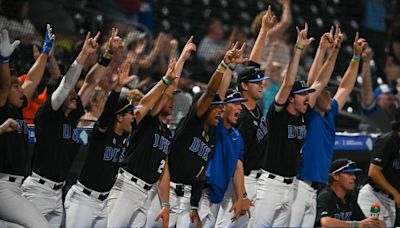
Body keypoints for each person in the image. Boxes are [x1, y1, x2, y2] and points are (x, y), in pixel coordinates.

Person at [107, 37, 196, 228]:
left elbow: (162, 169)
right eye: (167, 99)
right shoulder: (148, 119)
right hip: (127, 188)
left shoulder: (165, 131)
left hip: (145, 195)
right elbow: (165, 90)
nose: (171, 102)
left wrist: (165, 204)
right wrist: (180, 60)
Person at [21, 30, 105, 227]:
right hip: (38, 191)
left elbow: (91, 83)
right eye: (71, 93)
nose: (75, 95)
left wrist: (106, 57)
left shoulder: (72, 115)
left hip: (57, 193)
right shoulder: (49, 114)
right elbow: (66, 84)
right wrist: (83, 54)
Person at [290, 30, 367, 227]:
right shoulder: (311, 113)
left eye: (328, 94)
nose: (328, 94)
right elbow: (316, 81)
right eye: (325, 93)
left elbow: (345, 87)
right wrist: (327, 51)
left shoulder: (330, 112)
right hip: (298, 185)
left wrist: (356, 57)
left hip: (316, 188)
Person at [166, 43, 242, 228]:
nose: (219, 111)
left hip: (187, 199)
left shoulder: (213, 134)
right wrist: (224, 65)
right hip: (167, 191)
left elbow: (199, 176)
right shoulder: (194, 122)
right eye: (215, 108)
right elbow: (212, 92)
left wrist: (193, 206)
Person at [216, 6, 275, 227]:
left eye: (262, 81)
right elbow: (236, 159)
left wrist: (264, 31)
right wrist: (241, 194)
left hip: (253, 179)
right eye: (257, 82)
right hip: (239, 179)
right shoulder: (238, 115)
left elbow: (255, 65)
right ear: (243, 86)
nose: (262, 84)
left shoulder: (254, 108)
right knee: (229, 222)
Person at [254, 23, 315, 227]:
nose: (307, 98)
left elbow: (319, 83)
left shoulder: (302, 116)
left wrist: (326, 51)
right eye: (303, 94)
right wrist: (298, 49)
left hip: (291, 188)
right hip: (271, 185)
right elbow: (288, 84)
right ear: (290, 99)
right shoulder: (277, 114)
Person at [63, 61, 136, 228]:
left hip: (103, 204)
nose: (134, 117)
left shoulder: (125, 137)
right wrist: (117, 88)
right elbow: (107, 114)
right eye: (130, 114)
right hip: (83, 200)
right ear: (119, 117)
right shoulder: (102, 133)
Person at [0, 27, 50, 227]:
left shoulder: (17, 107)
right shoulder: (2, 105)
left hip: (15, 187)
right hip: (2, 185)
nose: (21, 88)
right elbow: (4, 85)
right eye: (16, 86)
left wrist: (45, 52)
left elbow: (31, 79)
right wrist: (4, 60)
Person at [357, 107, 400, 227]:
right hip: (374, 196)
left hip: (390, 200)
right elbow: (374, 172)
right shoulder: (388, 140)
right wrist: (395, 193)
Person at [316, 158, 385, 228]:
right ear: (336, 176)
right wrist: (357, 224)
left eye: (353, 174)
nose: (354, 177)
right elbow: (325, 222)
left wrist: (375, 223)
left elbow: (361, 219)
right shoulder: (326, 196)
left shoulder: (349, 197)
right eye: (349, 174)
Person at [360, 47, 398, 133]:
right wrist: (366, 63)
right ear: (377, 99)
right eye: (387, 94)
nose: (391, 96)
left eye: (391, 94)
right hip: (370, 144)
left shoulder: (395, 112)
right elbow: (366, 89)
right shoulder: (373, 110)